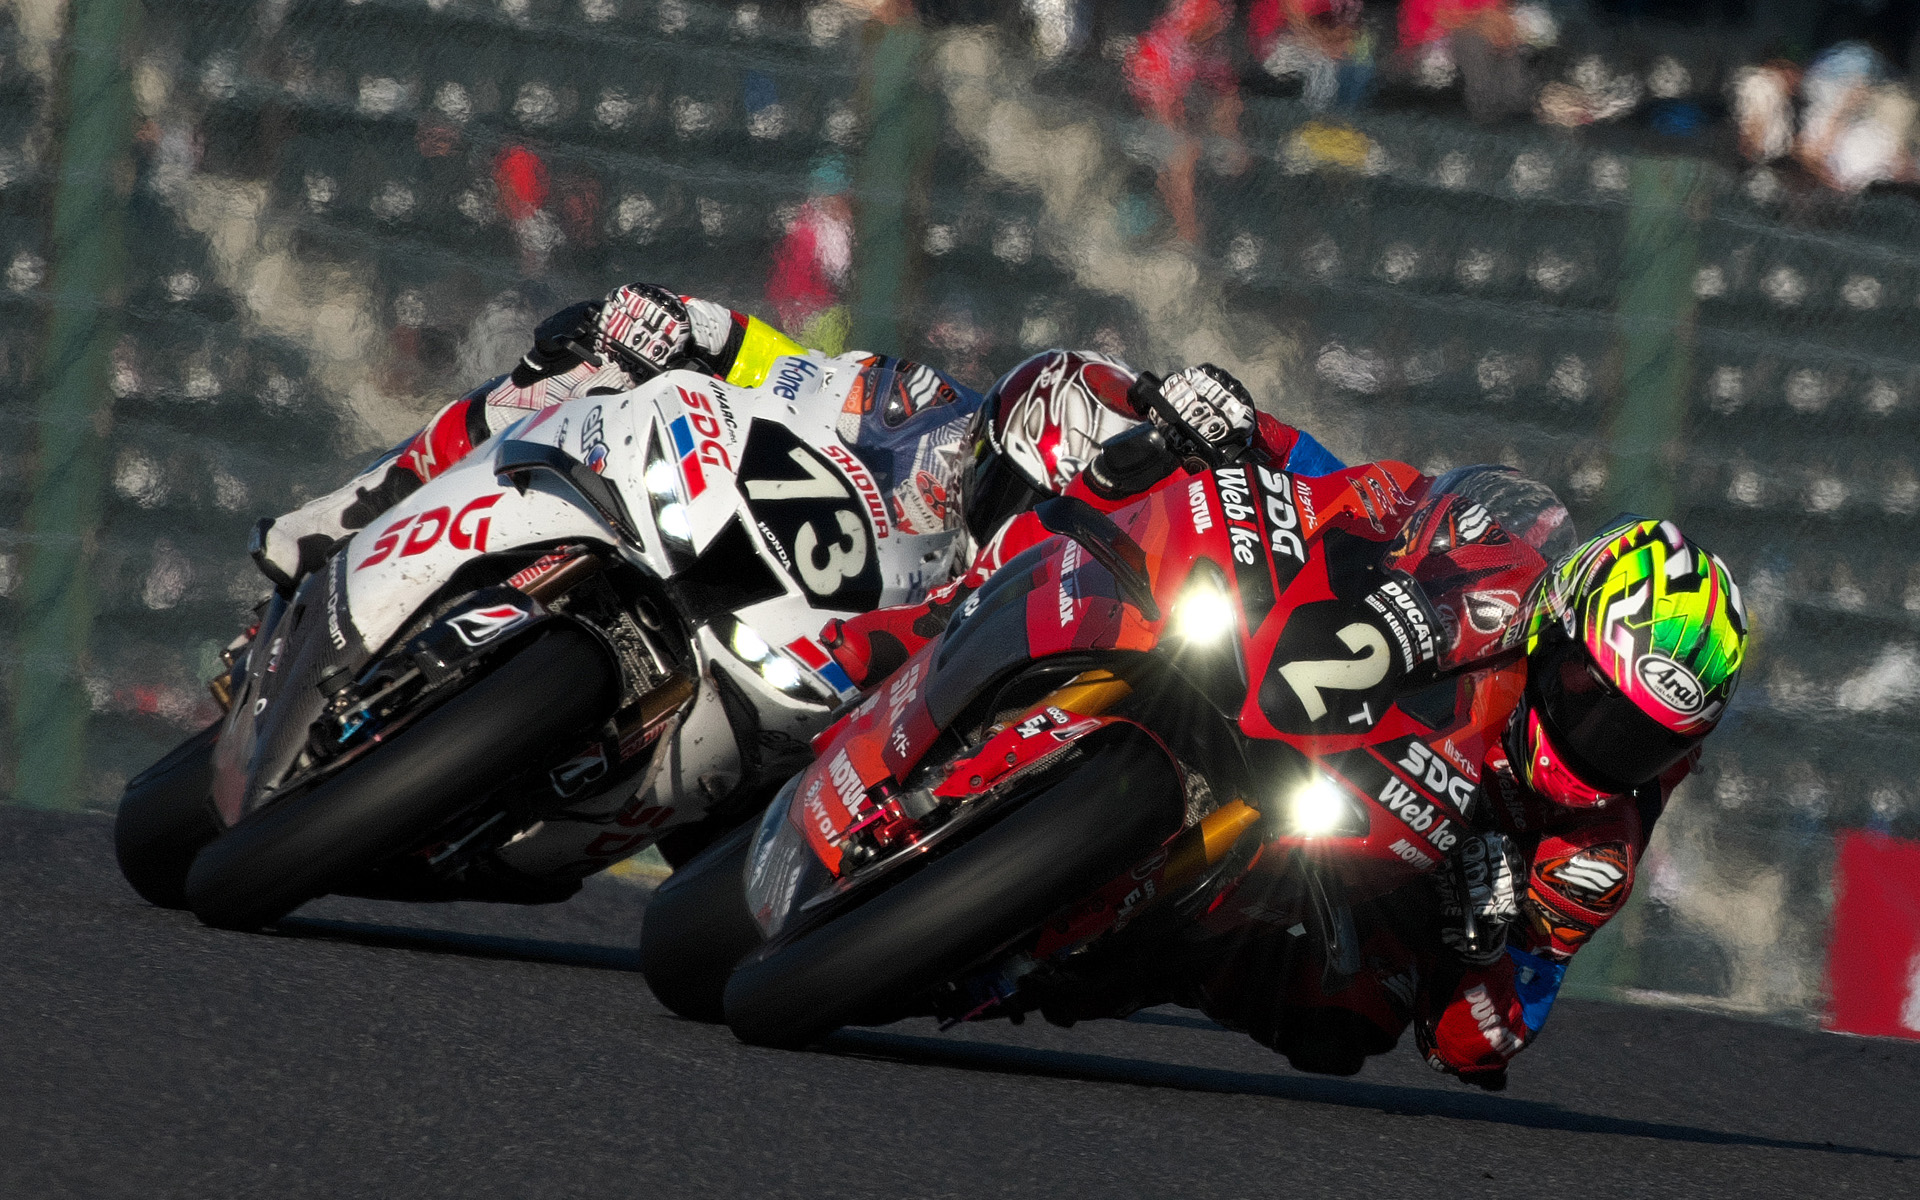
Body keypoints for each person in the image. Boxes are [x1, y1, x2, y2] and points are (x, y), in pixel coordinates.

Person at [819, 367, 1747, 1090]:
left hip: (1349, 870)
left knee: (1347, 1021)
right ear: (1560, 624)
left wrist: (1476, 943)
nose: (1604, 737)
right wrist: (1236, 427)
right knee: (1111, 449)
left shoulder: (1596, 850)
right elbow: (1353, 491)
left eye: (1641, 736)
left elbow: (1483, 1041)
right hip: (1287, 686)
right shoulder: (1494, 571)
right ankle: (912, 636)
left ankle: (1071, 957)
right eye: (1593, 691)